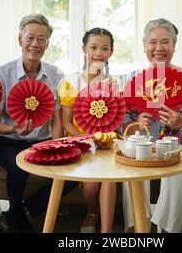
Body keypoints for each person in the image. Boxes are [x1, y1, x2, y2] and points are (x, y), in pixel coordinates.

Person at [121, 18, 182, 233]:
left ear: (174, 46)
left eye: (165, 42)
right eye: (152, 42)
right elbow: (120, 123)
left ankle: (166, 229)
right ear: (145, 46)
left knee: (174, 161)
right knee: (134, 159)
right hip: (144, 142)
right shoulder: (130, 79)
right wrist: (137, 124)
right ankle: (138, 226)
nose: (159, 48)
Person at [0, 14, 77, 233]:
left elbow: (57, 119)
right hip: (10, 142)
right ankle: (20, 222)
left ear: (47, 44)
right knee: (19, 165)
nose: (35, 44)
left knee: (72, 172)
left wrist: (58, 146)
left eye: (41, 39)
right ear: (20, 40)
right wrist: (13, 128)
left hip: (42, 142)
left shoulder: (56, 75)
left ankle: (19, 212)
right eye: (30, 38)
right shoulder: (1, 74)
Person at [58, 28, 117, 233]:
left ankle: (106, 231)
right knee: (91, 184)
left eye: (104, 48)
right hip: (80, 141)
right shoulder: (71, 82)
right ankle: (92, 212)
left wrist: (103, 139)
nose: (99, 53)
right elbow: (66, 123)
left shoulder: (112, 84)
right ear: (84, 49)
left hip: (106, 142)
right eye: (93, 47)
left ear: (111, 52)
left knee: (109, 178)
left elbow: (115, 119)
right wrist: (88, 139)